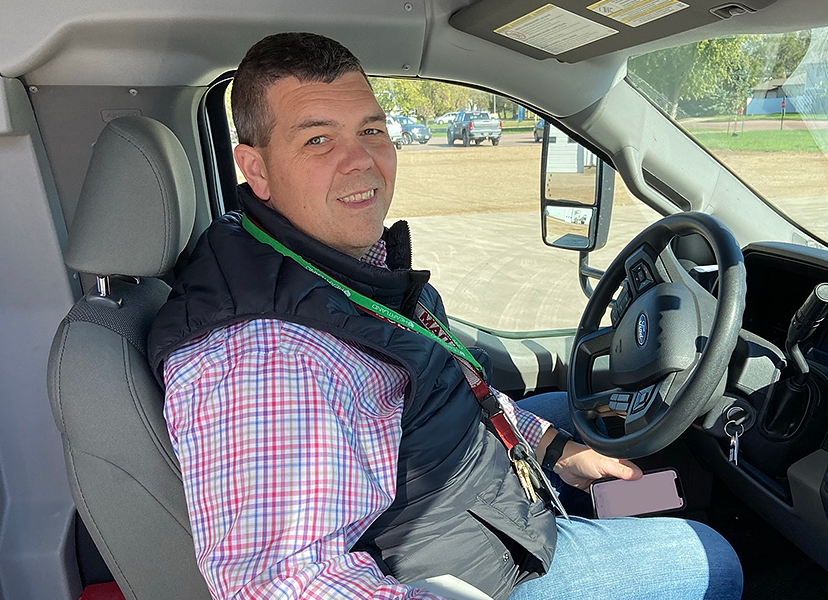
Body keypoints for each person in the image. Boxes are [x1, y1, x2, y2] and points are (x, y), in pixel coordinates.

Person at [148, 32, 743, 600]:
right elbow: (283, 585)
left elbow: (456, 378)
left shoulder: (306, 258)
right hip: (469, 571)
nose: (362, 162)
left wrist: (550, 446)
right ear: (254, 168)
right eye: (318, 140)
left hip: (473, 488)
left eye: (371, 129)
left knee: (631, 456)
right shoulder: (267, 359)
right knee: (714, 557)